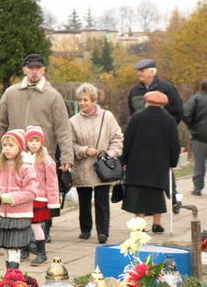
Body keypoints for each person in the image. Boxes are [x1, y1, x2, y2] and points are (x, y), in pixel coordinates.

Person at [0, 53, 73, 241]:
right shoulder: (11, 93)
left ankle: (43, 233)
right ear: (25, 70)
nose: (34, 72)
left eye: (38, 68)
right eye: (31, 68)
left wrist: (67, 157)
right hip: (15, 155)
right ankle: (20, 233)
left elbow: (63, 128)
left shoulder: (53, 96)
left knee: (41, 195)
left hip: (42, 156)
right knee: (18, 193)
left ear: (44, 70)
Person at [69, 83, 123, 244]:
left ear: (94, 100)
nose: (82, 103)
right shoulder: (73, 121)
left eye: (85, 100)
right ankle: (85, 229)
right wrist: (84, 150)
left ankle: (103, 232)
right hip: (83, 166)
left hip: (103, 167)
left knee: (102, 200)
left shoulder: (107, 117)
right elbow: (70, 144)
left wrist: (109, 154)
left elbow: (117, 138)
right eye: (80, 100)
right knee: (84, 200)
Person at [121, 91, 180, 233]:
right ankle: (157, 223)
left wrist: (124, 159)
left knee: (138, 192)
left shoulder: (137, 117)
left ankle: (140, 223)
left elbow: (128, 140)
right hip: (159, 163)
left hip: (137, 162)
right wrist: (172, 162)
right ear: (163, 105)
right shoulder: (169, 120)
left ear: (147, 102)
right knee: (156, 191)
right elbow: (175, 144)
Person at [0, 129, 38, 270]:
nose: (7, 148)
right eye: (4, 145)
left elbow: (31, 192)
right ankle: (10, 275)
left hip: (19, 214)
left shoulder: (26, 167)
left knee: (14, 247)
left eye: (11, 145)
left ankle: (13, 275)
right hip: (1, 213)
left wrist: (9, 198)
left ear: (20, 147)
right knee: (7, 247)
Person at [23, 126, 59, 265]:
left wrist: (53, 201)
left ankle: (41, 253)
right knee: (24, 225)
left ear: (41, 142)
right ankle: (25, 249)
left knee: (36, 226)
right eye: (31, 141)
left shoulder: (46, 160)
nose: (34, 144)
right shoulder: (23, 158)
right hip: (25, 197)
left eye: (37, 141)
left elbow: (52, 182)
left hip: (39, 197)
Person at [128, 58, 184, 123]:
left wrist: (169, 126)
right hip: (141, 128)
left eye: (142, 71)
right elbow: (132, 112)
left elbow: (178, 111)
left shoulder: (167, 88)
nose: (138, 73)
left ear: (152, 72)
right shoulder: (134, 90)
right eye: (138, 71)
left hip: (162, 128)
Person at [183, 79, 207, 196]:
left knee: (199, 163)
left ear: (201, 87)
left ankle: (197, 188)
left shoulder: (195, 99)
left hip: (199, 136)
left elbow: (185, 114)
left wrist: (192, 126)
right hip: (199, 135)